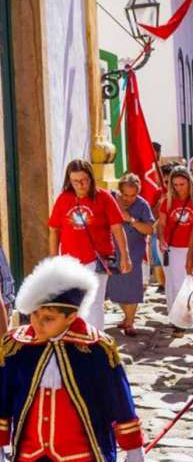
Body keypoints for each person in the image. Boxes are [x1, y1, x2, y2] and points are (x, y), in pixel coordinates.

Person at [0, 256, 145, 462]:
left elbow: (120, 401)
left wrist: (133, 448)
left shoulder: (95, 349)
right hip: (30, 455)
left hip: (82, 455)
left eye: (48, 319)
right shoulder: (17, 347)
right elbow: (2, 397)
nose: (37, 324)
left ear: (71, 317)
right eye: (34, 314)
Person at [48, 159, 131, 330]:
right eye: (75, 181)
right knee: (73, 303)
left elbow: (117, 228)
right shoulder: (64, 199)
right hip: (70, 261)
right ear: (69, 181)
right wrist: (53, 259)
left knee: (93, 303)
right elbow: (54, 230)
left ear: (91, 178)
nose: (80, 184)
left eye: (84, 180)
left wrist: (125, 255)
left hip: (98, 259)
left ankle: (94, 342)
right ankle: (77, 340)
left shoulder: (104, 197)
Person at [158, 166, 193, 335]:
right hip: (176, 247)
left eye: (182, 184)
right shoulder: (168, 201)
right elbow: (162, 223)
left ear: (190, 182)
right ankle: (180, 320)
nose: (179, 188)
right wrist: (161, 238)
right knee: (177, 284)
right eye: (176, 184)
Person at [106, 174, 155, 336]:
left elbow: (150, 229)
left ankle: (130, 321)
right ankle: (126, 317)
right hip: (112, 250)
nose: (129, 199)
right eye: (126, 195)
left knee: (133, 286)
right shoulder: (111, 199)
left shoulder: (142, 205)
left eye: (133, 195)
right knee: (115, 285)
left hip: (134, 250)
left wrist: (131, 220)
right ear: (120, 191)